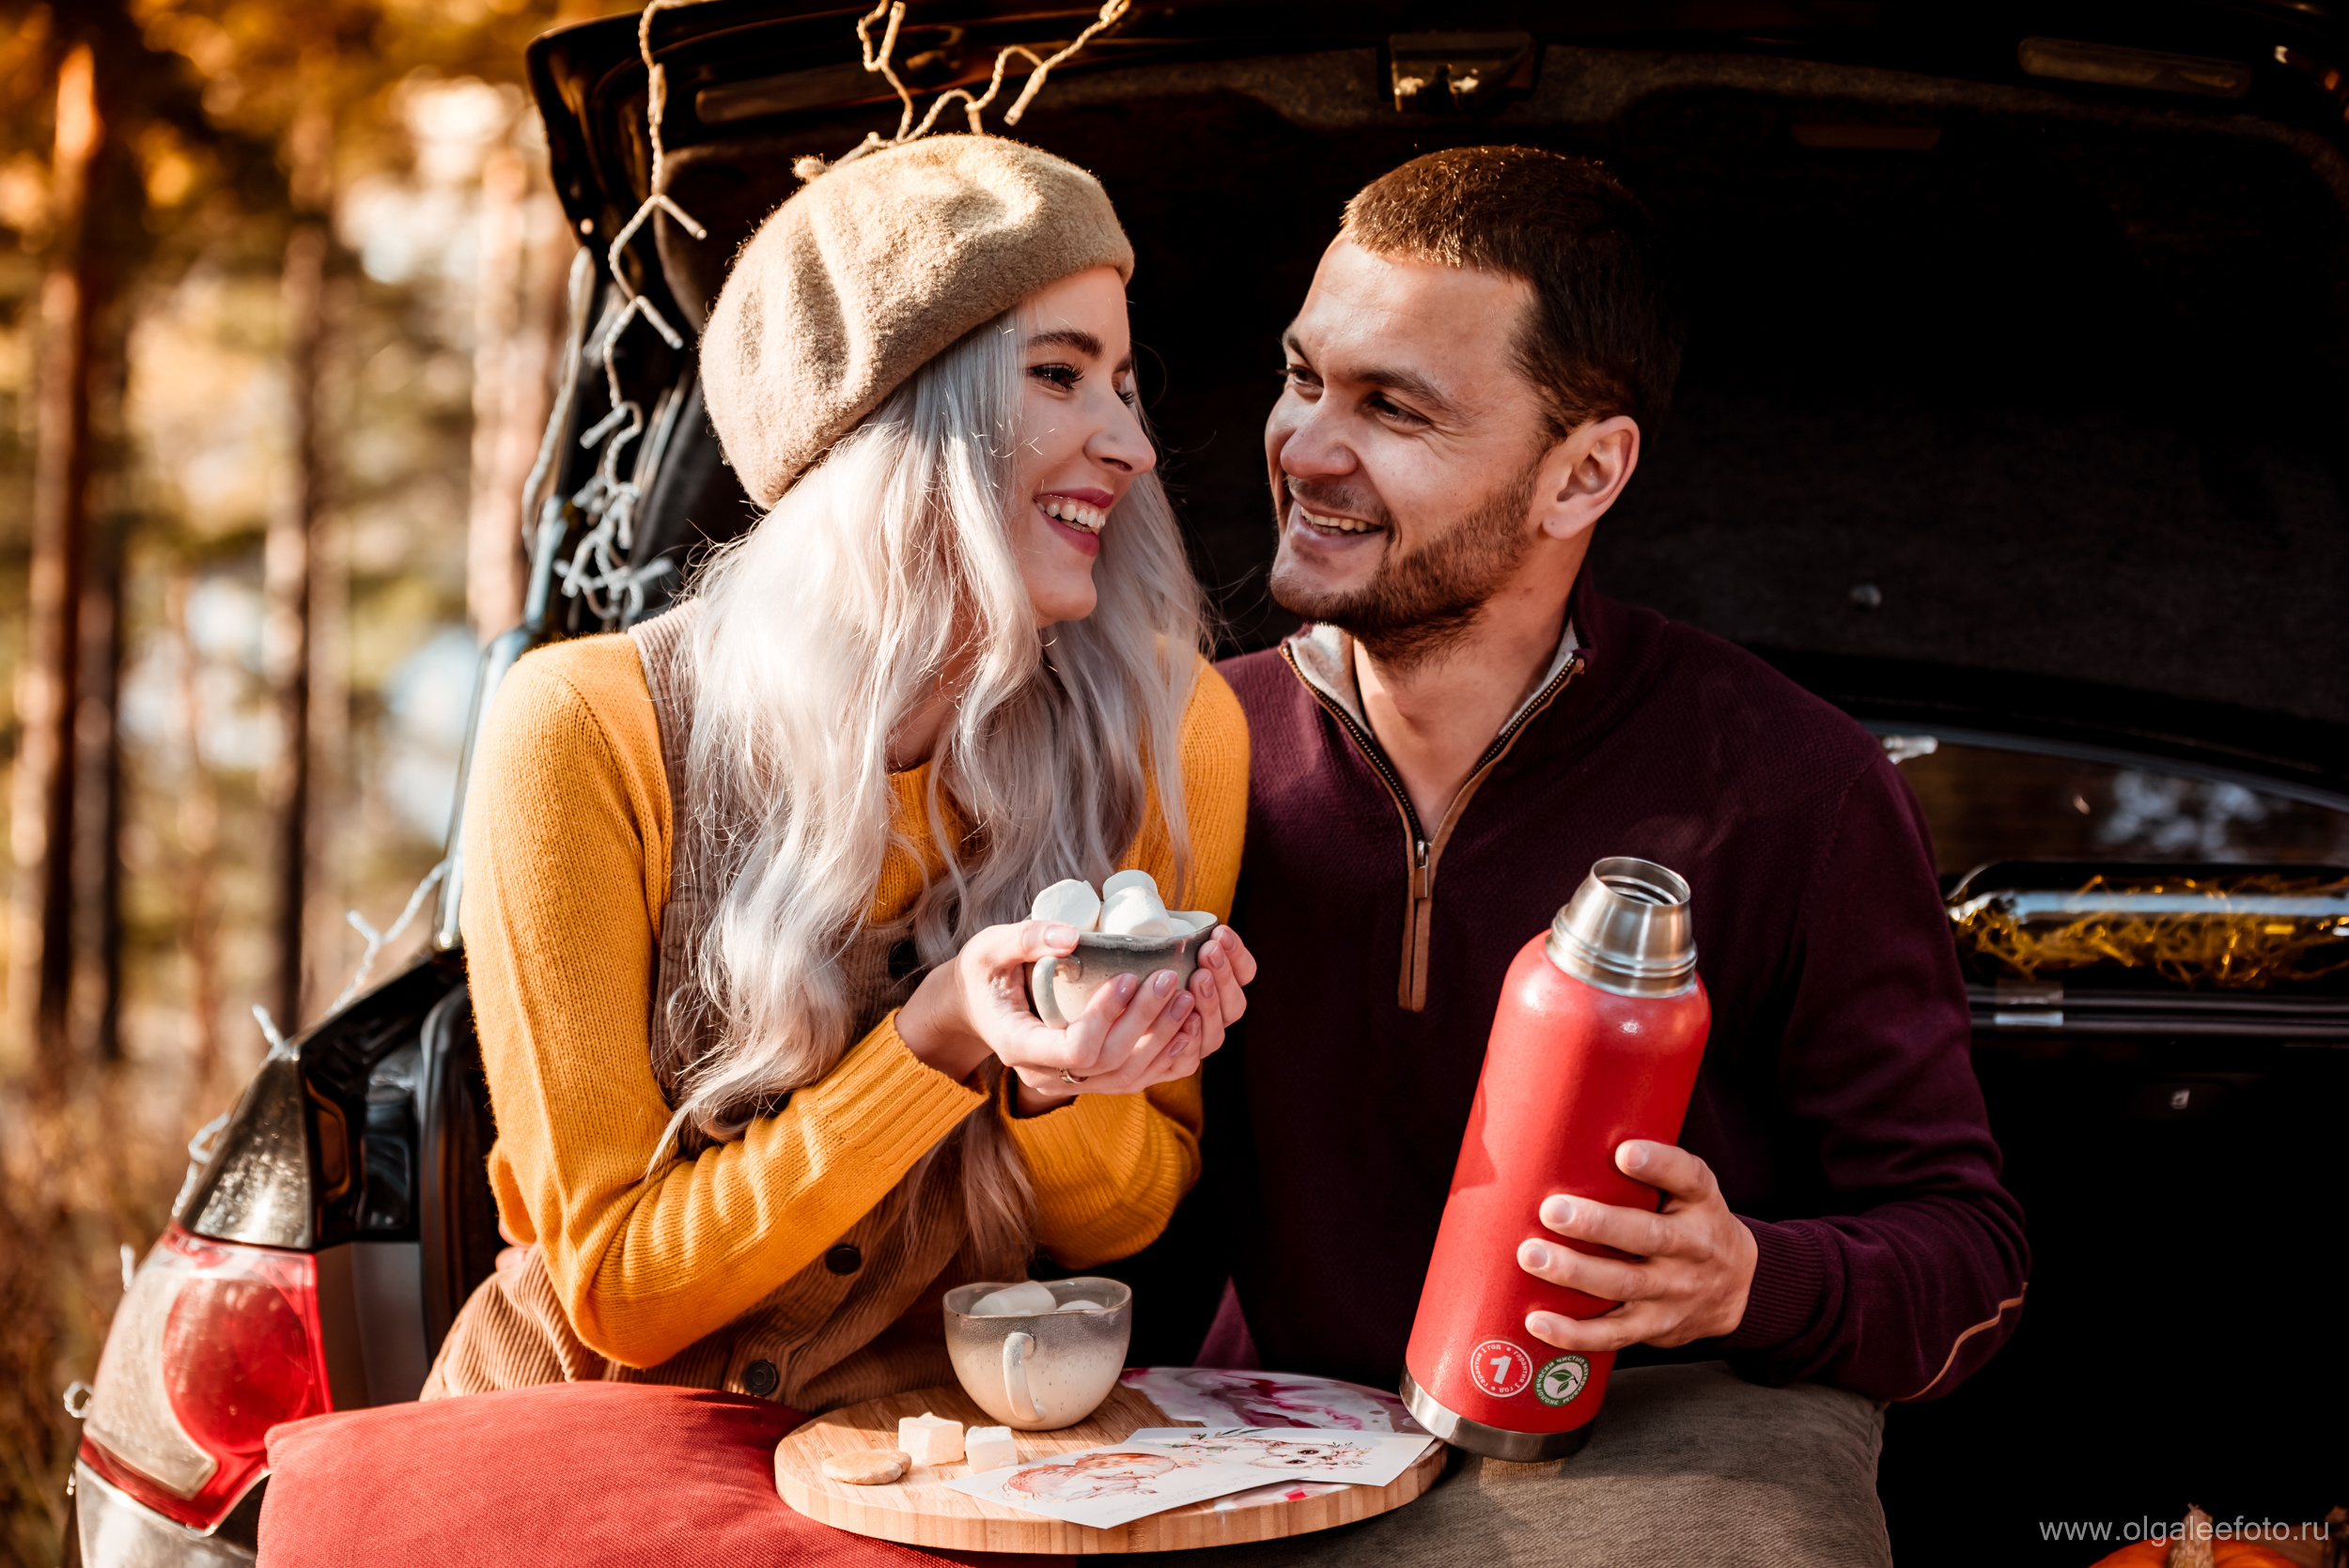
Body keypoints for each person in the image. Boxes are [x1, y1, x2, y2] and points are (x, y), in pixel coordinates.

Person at [1206, 146, 2029, 1561]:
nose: (1307, 447)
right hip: (1273, 1441)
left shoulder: (1797, 787)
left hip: (1658, 1447)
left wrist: (1746, 1278)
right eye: (1303, 378)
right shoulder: (1182, 753)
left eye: (1393, 407)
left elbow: (1970, 1258)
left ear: (1584, 473)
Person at [420, 133, 1257, 1414]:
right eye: (1058, 374)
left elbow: (1122, 1219)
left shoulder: (1167, 721)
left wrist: (1057, 1072)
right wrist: (937, 1036)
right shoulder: (584, 725)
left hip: (924, 1469)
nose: (1131, 444)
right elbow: (618, 1291)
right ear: (892, 420)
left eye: (1124, 383)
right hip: (579, 1448)